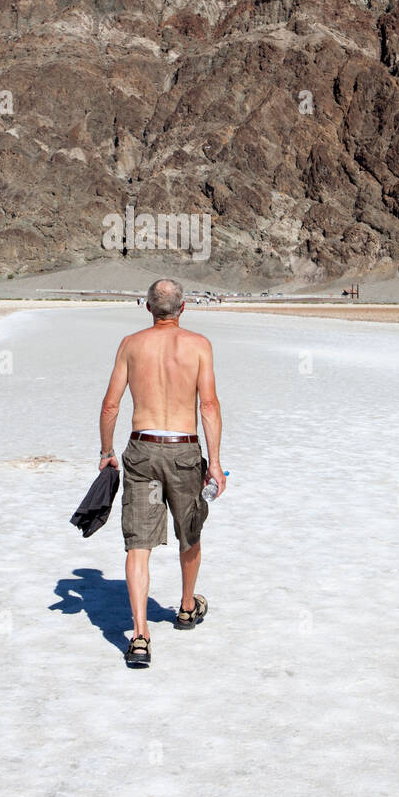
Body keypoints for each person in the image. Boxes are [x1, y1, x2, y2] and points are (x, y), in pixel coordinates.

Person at [98, 278, 225, 667]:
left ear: (148, 308)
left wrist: (106, 452)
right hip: (184, 452)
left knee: (139, 542)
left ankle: (139, 637)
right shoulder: (199, 345)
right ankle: (187, 607)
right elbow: (208, 406)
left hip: (142, 450)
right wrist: (215, 464)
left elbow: (110, 406)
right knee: (190, 532)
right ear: (183, 308)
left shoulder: (131, 345)